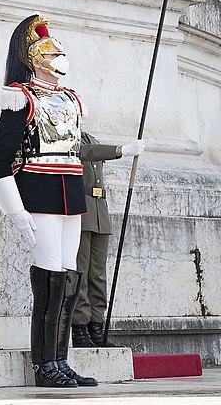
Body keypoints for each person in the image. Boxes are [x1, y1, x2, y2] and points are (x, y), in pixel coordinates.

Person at [0, 14, 143, 388]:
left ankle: (60, 358)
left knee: (69, 274)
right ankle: (44, 364)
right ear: (35, 59)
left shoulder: (71, 99)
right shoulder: (20, 97)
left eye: (61, 53)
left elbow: (77, 150)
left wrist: (119, 150)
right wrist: (15, 209)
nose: (60, 59)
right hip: (39, 188)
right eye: (52, 53)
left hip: (71, 191)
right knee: (49, 275)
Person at [72, 132, 144, 348]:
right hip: (81, 211)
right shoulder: (69, 138)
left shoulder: (92, 138)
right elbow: (87, 152)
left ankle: (97, 325)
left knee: (98, 273)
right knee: (81, 272)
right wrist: (121, 150)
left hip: (99, 211)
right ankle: (80, 327)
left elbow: (94, 149)